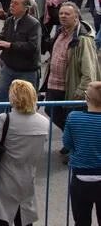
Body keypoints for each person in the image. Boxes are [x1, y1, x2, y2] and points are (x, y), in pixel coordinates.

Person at [0, 80, 49, 226]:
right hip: (28, 178)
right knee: (24, 218)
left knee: (1, 218)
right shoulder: (44, 122)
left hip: (5, 178)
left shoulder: (5, 119)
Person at [41, 2, 100, 138]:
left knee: (72, 120)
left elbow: (88, 70)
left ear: (76, 17)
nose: (63, 16)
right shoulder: (60, 33)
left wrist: (80, 92)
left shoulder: (83, 40)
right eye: (61, 13)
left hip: (71, 89)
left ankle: (73, 147)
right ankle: (70, 138)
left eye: (67, 14)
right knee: (51, 111)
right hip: (53, 86)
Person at [0, 0, 42, 117]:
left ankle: (24, 129)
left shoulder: (34, 24)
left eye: (16, 3)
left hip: (27, 70)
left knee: (25, 101)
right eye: (12, 2)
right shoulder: (9, 21)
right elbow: (3, 36)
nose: (11, 5)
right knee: (0, 95)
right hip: (8, 67)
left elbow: (33, 47)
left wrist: (10, 45)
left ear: (26, 8)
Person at [63, 80, 101, 225]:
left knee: (81, 220)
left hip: (80, 177)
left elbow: (67, 143)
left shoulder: (74, 117)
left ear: (87, 98)